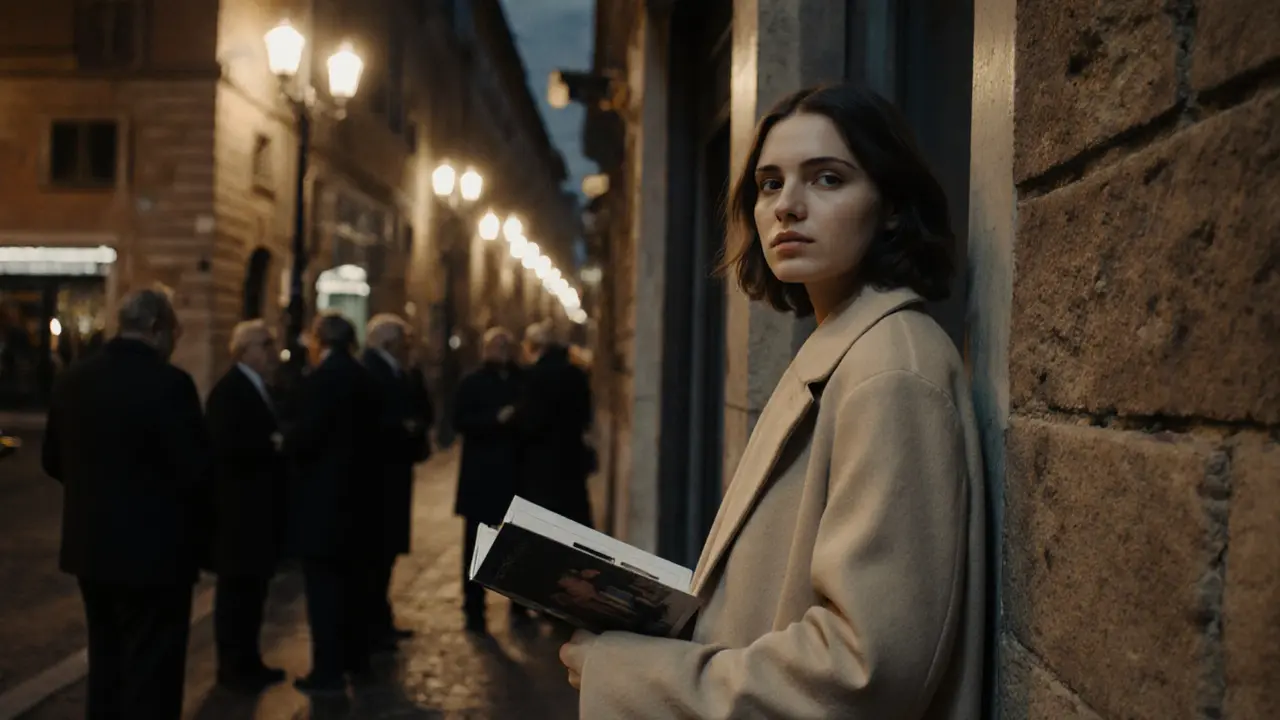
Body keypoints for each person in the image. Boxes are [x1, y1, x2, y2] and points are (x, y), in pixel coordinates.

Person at [559, 83, 986, 718]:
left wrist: (629, 674)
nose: (787, 206)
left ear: (892, 205)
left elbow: (863, 670)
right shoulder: (842, 348)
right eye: (768, 183)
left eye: (828, 179)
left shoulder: (890, 368)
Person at [42, 286, 210, 719]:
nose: (176, 342)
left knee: (107, 661)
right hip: (155, 556)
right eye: (175, 331)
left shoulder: (73, 379)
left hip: (90, 548)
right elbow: (194, 470)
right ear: (156, 329)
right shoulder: (171, 384)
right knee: (152, 671)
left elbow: (52, 460)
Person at [284, 311, 382, 694]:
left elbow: (306, 438)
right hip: (360, 503)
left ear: (318, 341)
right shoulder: (365, 379)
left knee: (324, 595)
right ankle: (356, 662)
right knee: (355, 588)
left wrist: (287, 442)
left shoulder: (320, 381)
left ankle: (327, 672)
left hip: (323, 506)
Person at [204, 320, 288, 693]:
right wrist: (271, 444)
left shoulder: (259, 387)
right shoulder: (229, 392)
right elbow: (227, 450)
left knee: (253, 593)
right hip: (238, 513)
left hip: (257, 510)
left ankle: (249, 660)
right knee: (236, 594)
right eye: (264, 344)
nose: (271, 351)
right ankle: (233, 666)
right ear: (242, 350)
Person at [453, 326, 524, 633]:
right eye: (497, 345)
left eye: (507, 344)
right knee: (476, 545)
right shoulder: (472, 382)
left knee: (517, 544)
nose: (503, 350)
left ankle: (520, 602)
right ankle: (473, 607)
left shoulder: (523, 381)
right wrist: (495, 420)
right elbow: (460, 421)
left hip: (515, 477)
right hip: (481, 478)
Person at [360, 313, 425, 646]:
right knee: (376, 553)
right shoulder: (372, 369)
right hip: (379, 478)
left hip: (394, 474)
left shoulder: (397, 369)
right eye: (405, 341)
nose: (409, 346)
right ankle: (373, 624)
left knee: (386, 553)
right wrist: (402, 427)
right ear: (388, 342)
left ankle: (380, 619)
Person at [515, 321, 593, 527]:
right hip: (572, 460)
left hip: (541, 464)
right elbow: (585, 416)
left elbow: (531, 422)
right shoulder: (576, 374)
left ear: (533, 345)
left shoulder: (534, 375)